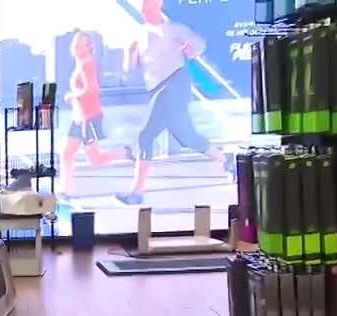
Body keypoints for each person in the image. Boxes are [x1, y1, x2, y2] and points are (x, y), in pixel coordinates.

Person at [116, 0, 230, 206]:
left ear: (158, 5)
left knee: (145, 135)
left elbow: (199, 45)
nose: (144, 9)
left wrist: (190, 48)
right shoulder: (139, 34)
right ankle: (226, 159)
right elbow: (129, 68)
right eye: (142, 6)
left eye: (147, 5)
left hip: (175, 83)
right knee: (186, 136)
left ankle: (136, 192)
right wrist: (129, 53)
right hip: (156, 88)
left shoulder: (173, 29)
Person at [60, 31, 123, 194]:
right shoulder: (80, 63)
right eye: (74, 43)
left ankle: (125, 153)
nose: (75, 46)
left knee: (95, 159)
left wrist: (72, 96)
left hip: (89, 117)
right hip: (77, 118)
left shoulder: (86, 64)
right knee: (66, 154)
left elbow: (92, 89)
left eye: (79, 43)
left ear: (88, 47)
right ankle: (66, 191)